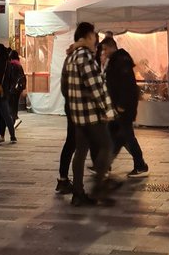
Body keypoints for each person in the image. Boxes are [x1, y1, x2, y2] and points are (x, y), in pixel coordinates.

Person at [62, 22, 116, 206]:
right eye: (94, 36)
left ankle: (78, 193)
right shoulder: (84, 56)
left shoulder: (70, 57)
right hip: (90, 114)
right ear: (87, 36)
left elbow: (65, 86)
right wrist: (107, 110)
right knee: (107, 146)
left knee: (81, 151)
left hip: (77, 114)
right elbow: (95, 86)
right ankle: (99, 187)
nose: (96, 40)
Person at [99, 36, 148, 177]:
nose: (104, 52)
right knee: (117, 135)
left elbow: (126, 85)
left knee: (125, 136)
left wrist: (121, 105)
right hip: (118, 107)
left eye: (105, 49)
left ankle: (139, 165)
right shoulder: (116, 60)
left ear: (112, 47)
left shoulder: (121, 61)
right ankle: (105, 165)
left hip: (124, 107)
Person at [7, 50, 26, 128]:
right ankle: (14, 121)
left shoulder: (12, 65)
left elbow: (10, 78)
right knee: (15, 105)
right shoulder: (19, 65)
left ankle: (15, 118)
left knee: (10, 105)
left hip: (12, 88)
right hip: (18, 88)